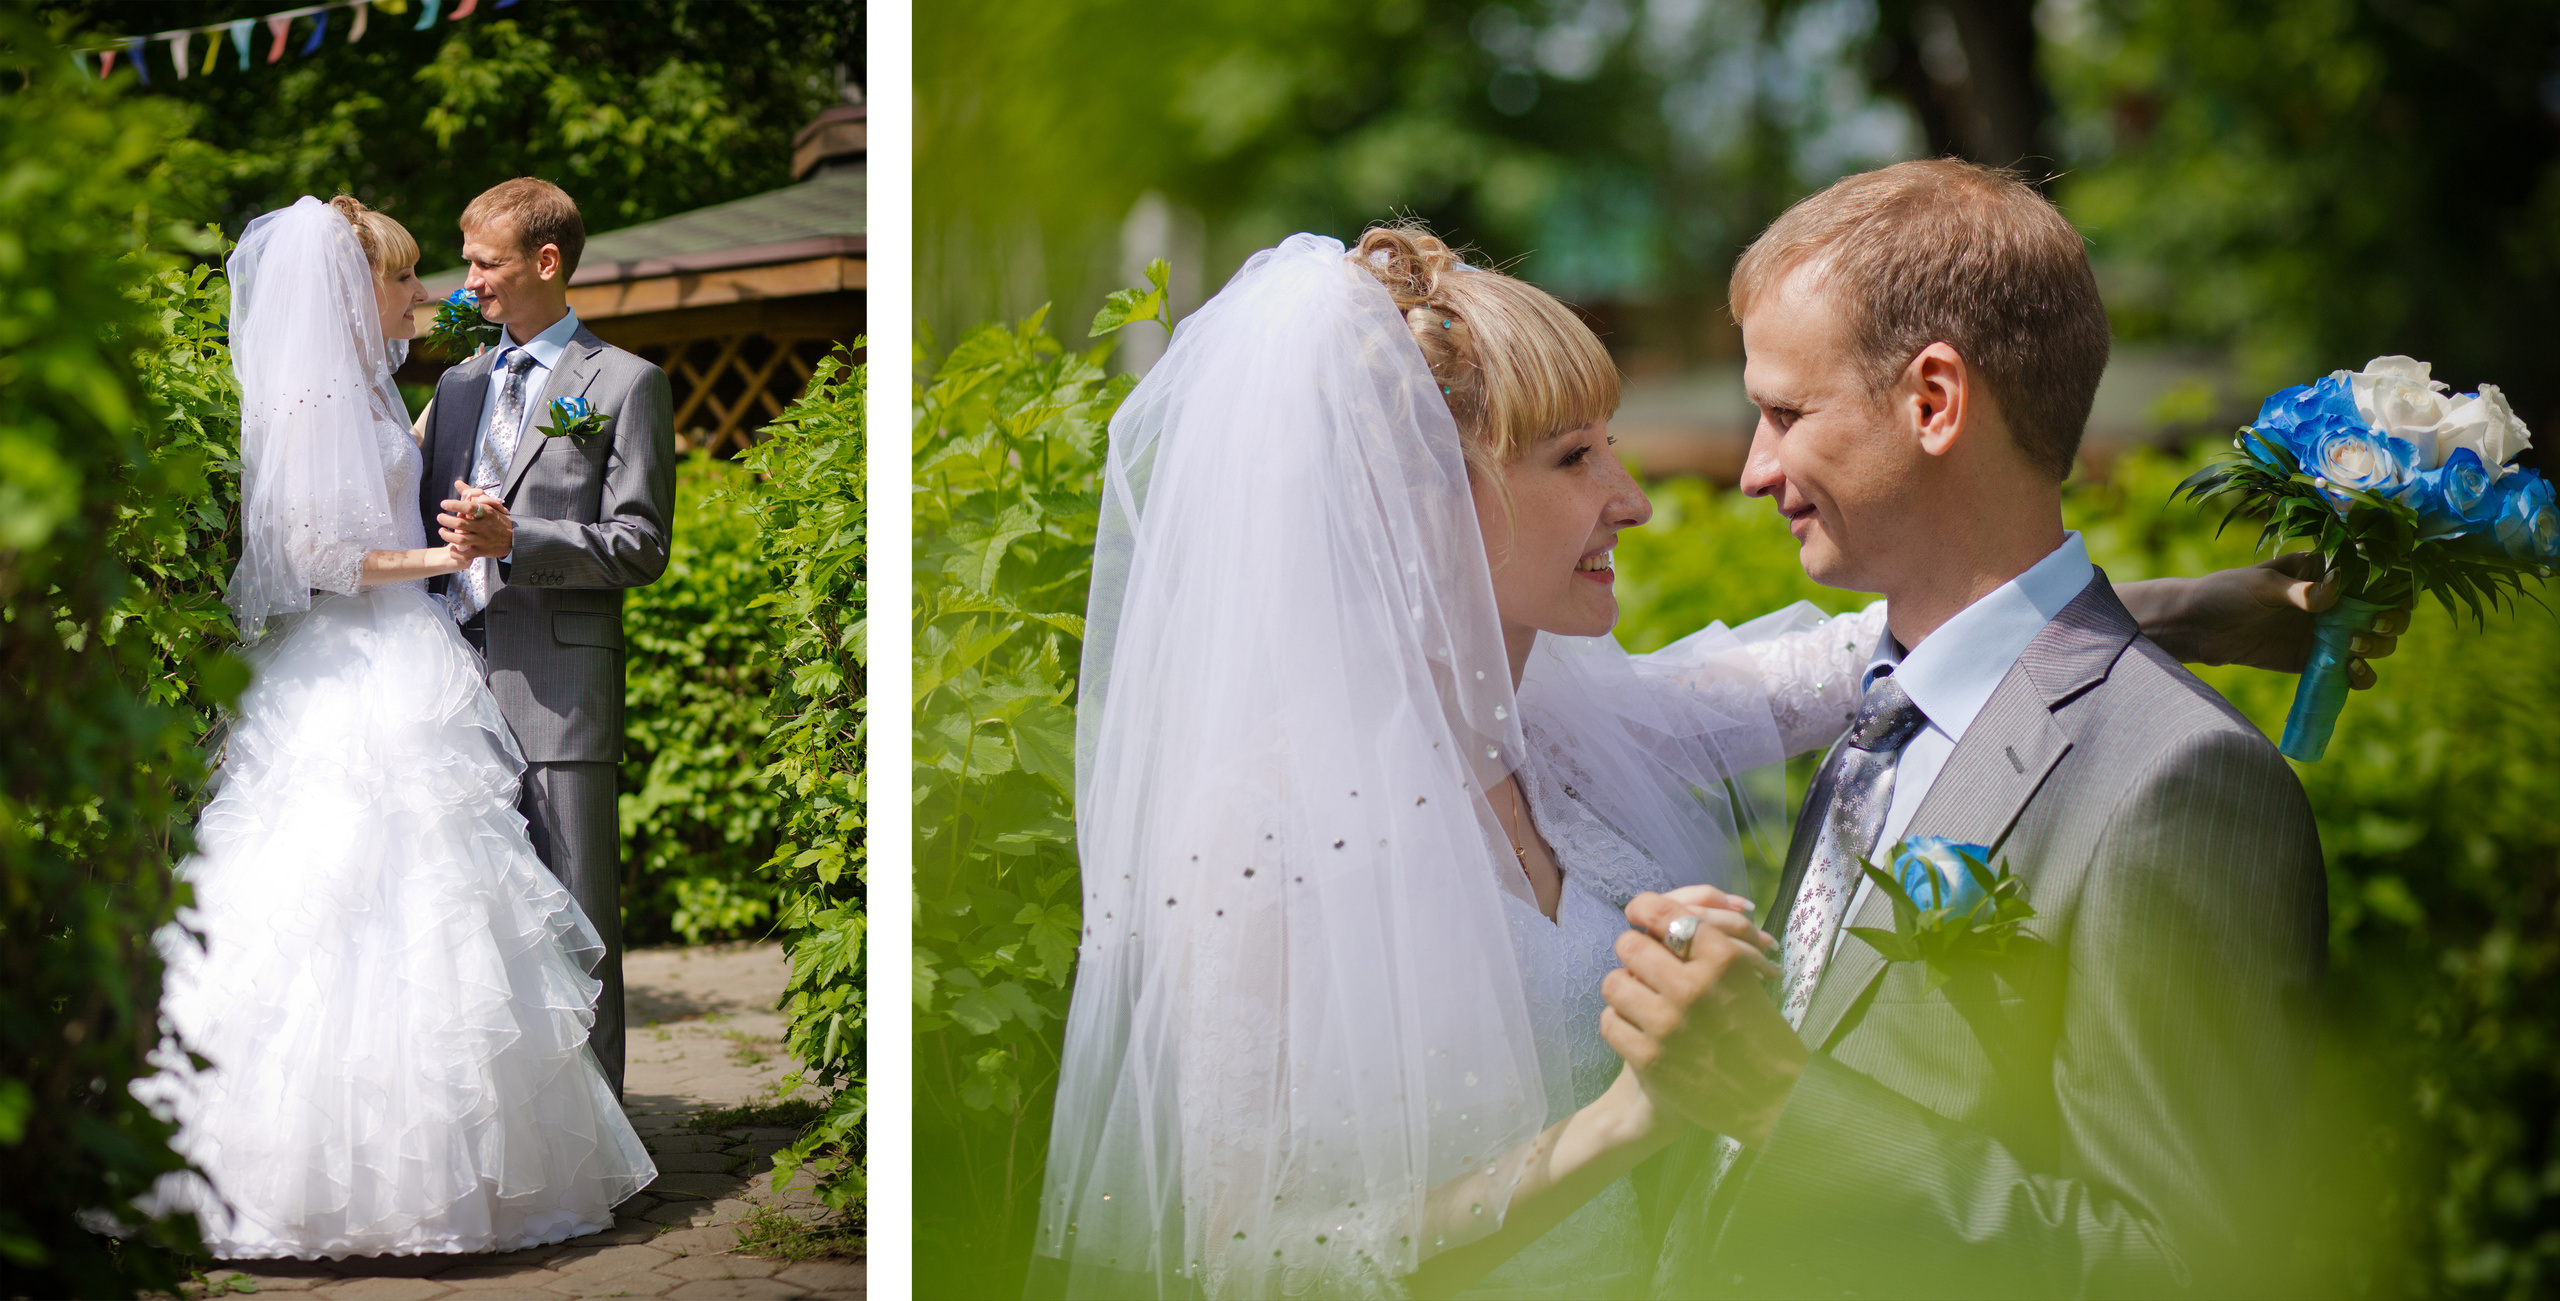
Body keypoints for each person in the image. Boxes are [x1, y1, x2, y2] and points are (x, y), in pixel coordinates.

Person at [1031, 222, 2377, 1300]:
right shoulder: (1257, 826)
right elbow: (1237, 1263)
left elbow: (1906, 646)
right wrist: (1629, 1121)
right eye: (1574, 458)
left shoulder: (1570, 721)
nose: (1633, 495)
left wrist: (2197, 608)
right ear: (1418, 504)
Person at [1604, 159, 2338, 1298]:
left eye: (1787, 412)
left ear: (1935, 401)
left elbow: (2190, 1261)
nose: (1753, 469)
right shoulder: (1882, 710)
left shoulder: (2178, 779)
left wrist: (1779, 1099)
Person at [137, 195, 654, 1258]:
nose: (434, 292)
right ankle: (329, 1175)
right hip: (366, 665)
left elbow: (460, 490)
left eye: (459, 266)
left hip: (437, 664)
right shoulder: (342, 396)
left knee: (449, 919)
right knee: (350, 914)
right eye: (414, 274)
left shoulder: (407, 393)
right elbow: (314, 553)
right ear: (351, 286)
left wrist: (491, 530)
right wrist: (446, 558)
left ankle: (474, 1162)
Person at [419, 177, 677, 1099]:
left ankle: (606, 1149)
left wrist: (518, 542)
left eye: (485, 263)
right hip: (444, 686)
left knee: (576, 918)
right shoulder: (457, 386)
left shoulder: (627, 384)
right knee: (475, 925)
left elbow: (640, 545)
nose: (469, 282)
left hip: (562, 688)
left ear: (546, 262)